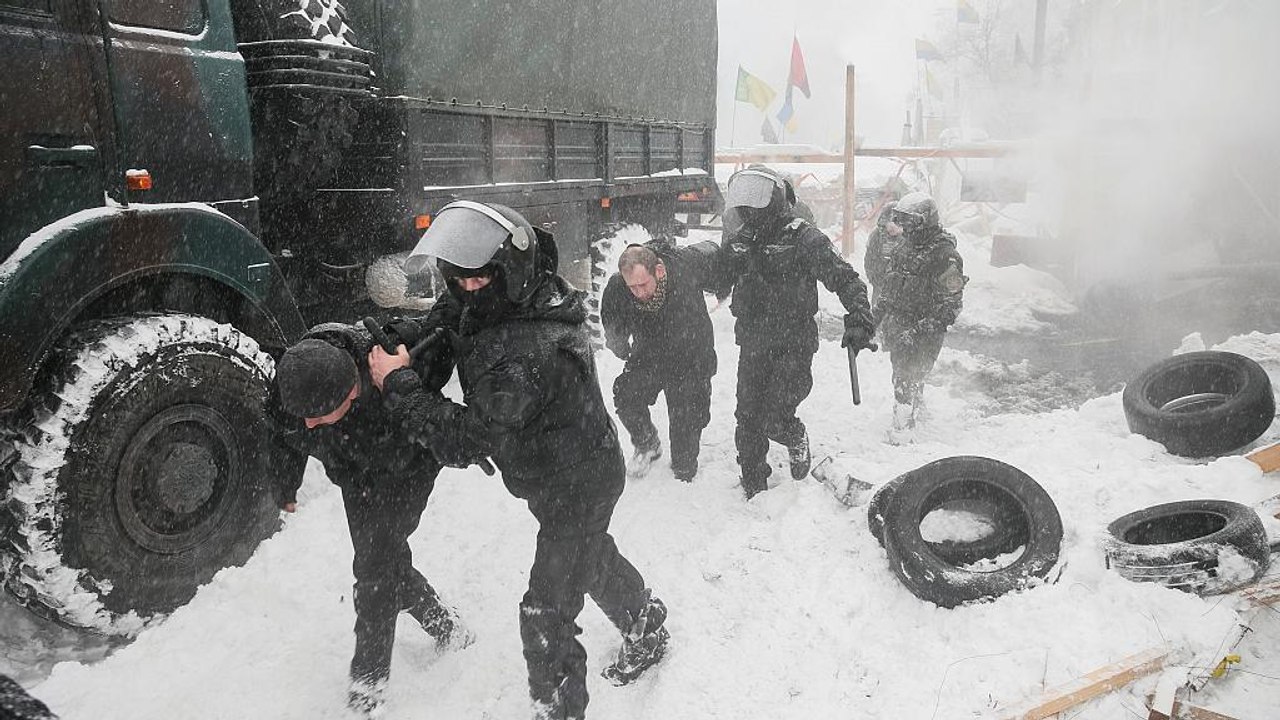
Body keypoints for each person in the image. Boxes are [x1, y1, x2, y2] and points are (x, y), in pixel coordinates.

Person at [369, 201, 669, 720]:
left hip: (576, 484)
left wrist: (399, 385)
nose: (467, 289)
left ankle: (561, 708)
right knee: (587, 554)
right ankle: (644, 617)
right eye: (459, 279)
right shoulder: (517, 295)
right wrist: (408, 342)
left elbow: (466, 438)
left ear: (510, 270)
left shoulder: (527, 355)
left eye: (479, 279)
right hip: (565, 470)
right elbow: (452, 315)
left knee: (544, 617)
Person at [272, 314, 472, 716]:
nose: (309, 423)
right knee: (383, 559)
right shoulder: (300, 376)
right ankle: (445, 625)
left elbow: (455, 332)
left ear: (352, 390)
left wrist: (406, 381)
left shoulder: (401, 353)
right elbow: (284, 431)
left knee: (375, 568)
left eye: (319, 414)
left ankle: (368, 686)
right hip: (354, 472)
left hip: (407, 472)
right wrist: (285, 486)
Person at [718, 164, 877, 499]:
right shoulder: (741, 238)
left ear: (776, 198)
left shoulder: (803, 237)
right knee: (747, 417)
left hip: (794, 340)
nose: (750, 208)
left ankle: (794, 435)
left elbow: (845, 278)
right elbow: (717, 274)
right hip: (753, 339)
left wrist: (860, 318)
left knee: (775, 414)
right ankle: (754, 486)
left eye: (757, 198)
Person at [600, 239, 723, 481]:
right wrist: (621, 348)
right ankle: (647, 443)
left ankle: (684, 465)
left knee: (687, 430)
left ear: (659, 271)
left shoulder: (685, 266)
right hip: (649, 354)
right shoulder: (618, 286)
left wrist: (724, 290)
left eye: (643, 284)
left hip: (691, 357)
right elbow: (612, 325)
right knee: (626, 394)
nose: (639, 293)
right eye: (632, 287)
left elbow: (719, 263)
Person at [871, 191, 967, 434]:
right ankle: (915, 405)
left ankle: (902, 429)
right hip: (899, 324)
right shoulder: (904, 248)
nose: (905, 228)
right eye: (901, 220)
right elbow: (889, 288)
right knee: (901, 373)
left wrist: (917, 332)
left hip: (926, 330)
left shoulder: (945, 256)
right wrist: (873, 320)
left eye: (910, 221)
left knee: (906, 377)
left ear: (925, 221)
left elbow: (951, 305)